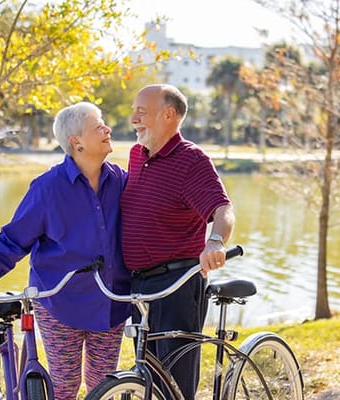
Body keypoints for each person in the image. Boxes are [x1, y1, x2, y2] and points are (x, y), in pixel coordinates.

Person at [0, 102, 130, 400]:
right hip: (60, 304)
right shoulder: (47, 188)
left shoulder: (122, 181)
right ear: (76, 141)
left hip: (110, 303)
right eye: (99, 125)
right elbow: (13, 240)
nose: (107, 129)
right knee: (65, 388)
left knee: (103, 387)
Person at [121, 83, 235, 399]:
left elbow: (222, 209)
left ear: (169, 115)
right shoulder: (136, 154)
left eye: (141, 112)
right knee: (148, 376)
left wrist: (215, 242)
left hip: (177, 284)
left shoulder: (191, 160)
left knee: (175, 384)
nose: (133, 118)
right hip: (140, 285)